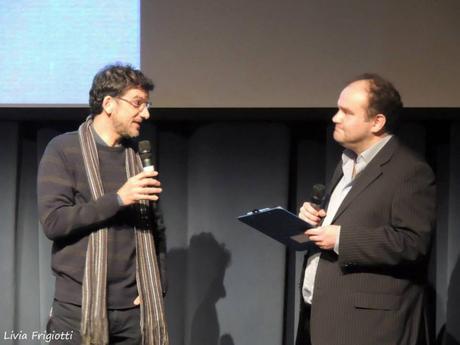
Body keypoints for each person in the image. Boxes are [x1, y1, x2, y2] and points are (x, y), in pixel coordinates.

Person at [295, 73, 436, 345]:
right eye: (337, 109)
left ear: (377, 122)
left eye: (346, 112)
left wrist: (341, 238)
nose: (335, 118)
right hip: (323, 315)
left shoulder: (410, 171)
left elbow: (413, 242)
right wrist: (315, 219)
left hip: (368, 327)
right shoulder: (347, 164)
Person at [37, 64, 169, 345]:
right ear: (108, 103)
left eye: (147, 105)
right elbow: (54, 222)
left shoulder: (135, 159)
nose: (145, 113)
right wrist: (118, 199)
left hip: (134, 311)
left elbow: (157, 230)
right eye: (137, 103)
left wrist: (157, 284)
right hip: (77, 310)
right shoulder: (63, 150)